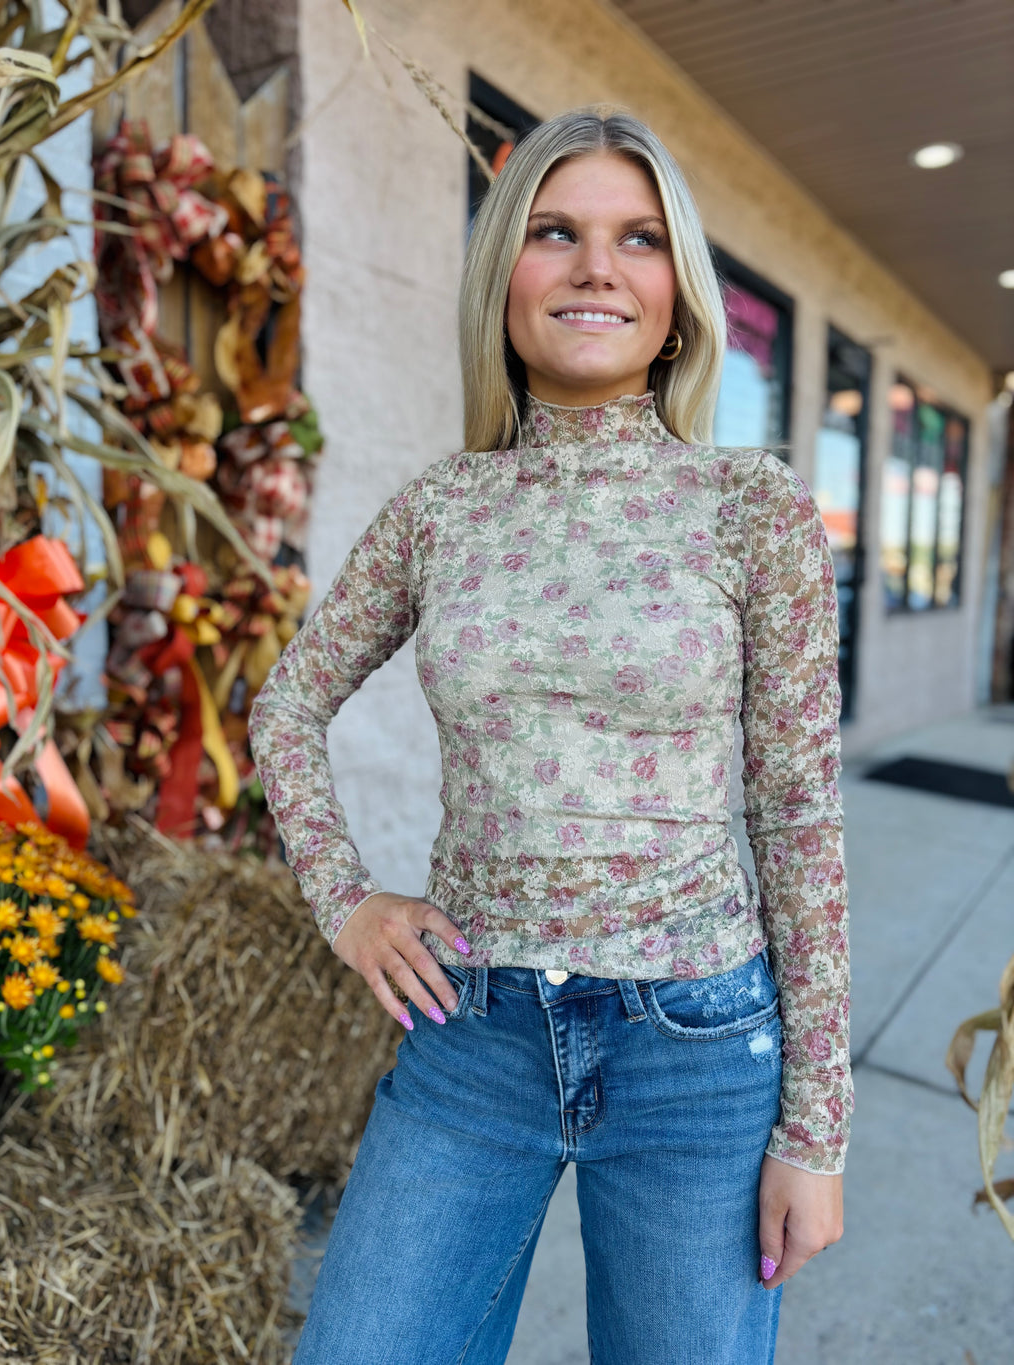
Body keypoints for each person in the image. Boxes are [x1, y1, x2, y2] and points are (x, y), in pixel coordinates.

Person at [249, 106, 851, 1365]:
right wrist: (345, 900)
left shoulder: (750, 507)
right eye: (553, 232)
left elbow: (798, 815)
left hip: (697, 1052)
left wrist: (816, 1128)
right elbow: (287, 702)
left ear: (678, 296)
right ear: (503, 279)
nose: (595, 268)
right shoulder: (442, 511)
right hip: (472, 1040)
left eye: (637, 240)